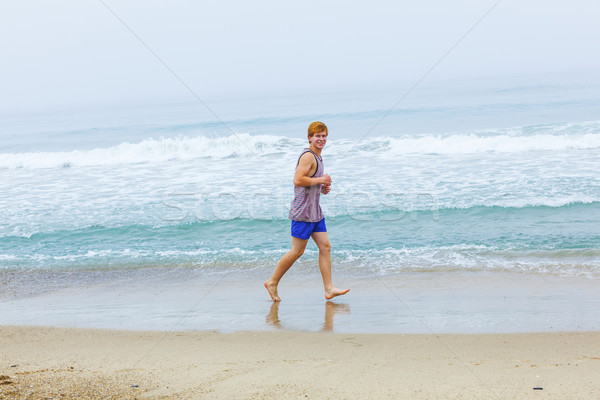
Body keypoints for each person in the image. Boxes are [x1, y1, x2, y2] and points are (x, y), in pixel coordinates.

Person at [264, 121, 350, 302]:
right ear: (309, 137)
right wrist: (320, 180)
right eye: (317, 136)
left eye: (324, 135)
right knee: (297, 251)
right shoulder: (308, 156)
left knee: (325, 247)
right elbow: (297, 180)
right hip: (303, 212)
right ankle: (272, 282)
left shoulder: (318, 156)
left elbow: (308, 181)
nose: (321, 139)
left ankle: (329, 289)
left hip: (315, 211)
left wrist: (321, 188)